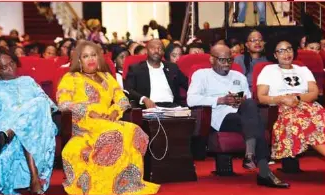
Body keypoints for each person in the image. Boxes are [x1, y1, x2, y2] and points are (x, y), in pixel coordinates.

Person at [56, 41, 160, 195]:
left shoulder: (106, 77)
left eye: (94, 55)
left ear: (99, 58)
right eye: (86, 56)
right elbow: (63, 103)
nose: (91, 59)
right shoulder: (70, 77)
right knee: (116, 133)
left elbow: (122, 99)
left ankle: (126, 185)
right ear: (79, 60)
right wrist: (89, 112)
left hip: (108, 120)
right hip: (84, 122)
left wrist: (114, 111)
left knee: (134, 130)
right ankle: (104, 186)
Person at [187, 44, 290, 188]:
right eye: (222, 60)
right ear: (211, 59)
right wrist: (220, 100)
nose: (227, 64)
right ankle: (263, 170)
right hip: (218, 116)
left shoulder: (239, 76)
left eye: (230, 60)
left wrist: (240, 100)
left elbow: (247, 100)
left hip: (241, 113)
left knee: (249, 105)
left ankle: (250, 156)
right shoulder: (201, 74)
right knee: (256, 123)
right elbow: (191, 100)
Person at [0, 46, 57, 194]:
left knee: (40, 102)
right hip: (3, 131)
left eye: (12, 63)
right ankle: (34, 177)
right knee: (27, 126)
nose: (10, 68)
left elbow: (48, 105)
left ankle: (12, 132)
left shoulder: (27, 81)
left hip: (33, 130)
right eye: (4, 67)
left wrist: (23, 120)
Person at [257, 38, 325, 160]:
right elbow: (261, 97)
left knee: (319, 118)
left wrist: (297, 98)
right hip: (282, 107)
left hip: (306, 104)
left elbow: (314, 93)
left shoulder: (303, 70)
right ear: (275, 54)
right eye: (281, 51)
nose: (286, 53)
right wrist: (282, 99)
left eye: (289, 49)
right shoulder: (268, 70)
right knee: (304, 122)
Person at [124, 39, 188, 108]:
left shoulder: (172, 68)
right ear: (147, 50)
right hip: (150, 108)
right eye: (153, 48)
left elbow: (187, 84)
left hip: (173, 108)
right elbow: (128, 89)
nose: (157, 51)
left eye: (160, 49)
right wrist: (144, 99)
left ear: (163, 52)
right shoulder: (136, 69)